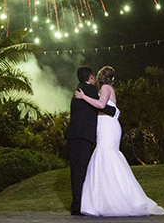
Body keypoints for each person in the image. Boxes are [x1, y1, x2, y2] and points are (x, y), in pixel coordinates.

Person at [75, 66, 164, 216]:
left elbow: (101, 105)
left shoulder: (105, 88)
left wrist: (83, 97)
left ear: (100, 77)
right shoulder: (108, 88)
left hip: (108, 127)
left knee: (106, 156)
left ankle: (114, 200)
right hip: (105, 126)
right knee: (104, 157)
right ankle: (104, 201)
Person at [64, 66, 116, 215]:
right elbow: (102, 106)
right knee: (81, 170)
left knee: (75, 171)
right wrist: (114, 111)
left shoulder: (77, 91)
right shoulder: (89, 90)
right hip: (82, 137)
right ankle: (79, 206)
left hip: (73, 136)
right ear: (91, 78)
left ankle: (76, 205)